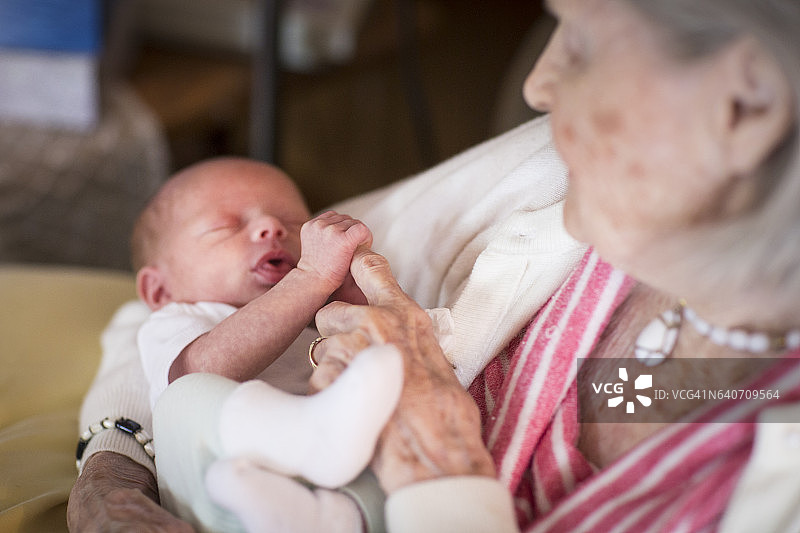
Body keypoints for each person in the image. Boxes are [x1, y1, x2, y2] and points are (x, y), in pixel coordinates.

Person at [68, 0, 800, 531]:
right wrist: (117, 462)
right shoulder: (596, 193)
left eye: (579, 40)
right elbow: (168, 312)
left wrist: (443, 474)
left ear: (747, 104)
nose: (537, 87)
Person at [127, 157, 412, 531]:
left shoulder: (313, 316)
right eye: (226, 226)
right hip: (217, 492)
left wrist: (355, 301)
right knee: (184, 396)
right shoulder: (177, 320)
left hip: (317, 493)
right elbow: (205, 370)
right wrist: (311, 276)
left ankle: (338, 516)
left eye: (293, 223)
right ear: (160, 289)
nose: (271, 228)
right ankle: (310, 445)